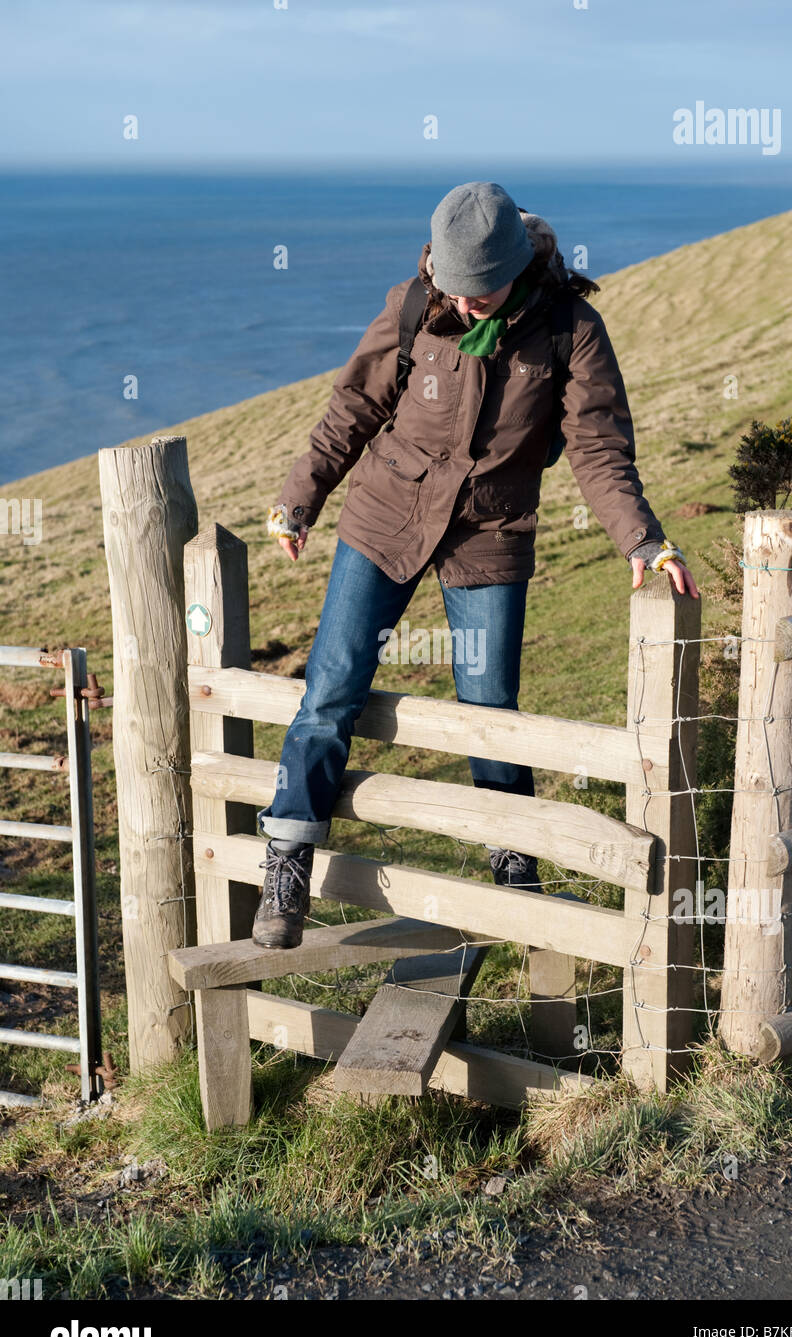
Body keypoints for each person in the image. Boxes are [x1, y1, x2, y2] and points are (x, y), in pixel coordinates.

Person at [253, 181, 698, 948]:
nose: (461, 306)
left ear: (516, 265)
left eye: (476, 292)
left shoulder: (570, 329)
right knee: (330, 690)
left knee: (491, 709)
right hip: (383, 517)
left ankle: (513, 866)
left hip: (490, 531)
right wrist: (300, 500)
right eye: (450, 290)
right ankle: (288, 860)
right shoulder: (413, 303)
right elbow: (351, 410)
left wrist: (642, 540)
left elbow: (596, 448)